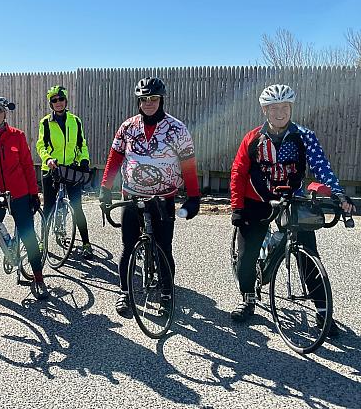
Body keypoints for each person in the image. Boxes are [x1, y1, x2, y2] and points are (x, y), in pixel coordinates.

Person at [229, 84, 355, 334]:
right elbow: (238, 172)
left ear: (291, 108)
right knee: (247, 256)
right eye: (274, 107)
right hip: (257, 199)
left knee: (308, 254)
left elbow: (322, 167)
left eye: (285, 107)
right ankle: (248, 299)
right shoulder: (253, 138)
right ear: (265, 110)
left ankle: (322, 313)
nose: (280, 112)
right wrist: (237, 207)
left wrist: (338, 194)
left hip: (293, 198)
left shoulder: (304, 136)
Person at [99, 77, 201, 317]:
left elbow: (188, 164)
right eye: (144, 99)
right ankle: (125, 293)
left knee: (165, 247)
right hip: (132, 195)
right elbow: (115, 158)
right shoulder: (128, 127)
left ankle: (167, 294)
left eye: (153, 98)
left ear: (161, 99)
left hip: (163, 196)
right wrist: (106, 188)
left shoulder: (177, 128)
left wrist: (194, 195)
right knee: (127, 248)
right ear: (138, 101)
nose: (149, 103)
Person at [0, 94, 49, 300]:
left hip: (19, 193)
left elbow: (27, 166)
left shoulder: (17, 136)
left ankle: (38, 278)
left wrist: (33, 193)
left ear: (5, 113)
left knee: (28, 234)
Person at [36, 85, 94, 259]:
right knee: (48, 207)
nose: (58, 103)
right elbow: (41, 145)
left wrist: (84, 160)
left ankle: (86, 243)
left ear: (66, 101)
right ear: (51, 104)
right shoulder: (45, 122)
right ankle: (42, 243)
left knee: (77, 207)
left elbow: (81, 144)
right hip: (51, 169)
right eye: (54, 100)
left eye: (61, 99)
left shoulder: (75, 120)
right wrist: (47, 159)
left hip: (70, 169)